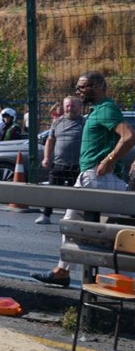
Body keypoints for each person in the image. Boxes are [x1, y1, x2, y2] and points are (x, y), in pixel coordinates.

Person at [33, 70, 134, 286]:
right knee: (72, 224)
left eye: (82, 86)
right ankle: (62, 271)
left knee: (114, 234)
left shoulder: (106, 109)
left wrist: (108, 159)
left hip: (99, 178)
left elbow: (128, 136)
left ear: (97, 85)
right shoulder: (98, 110)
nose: (78, 90)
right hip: (93, 177)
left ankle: (125, 282)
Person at [35, 95, 84, 225]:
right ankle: (46, 215)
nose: (70, 108)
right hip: (59, 163)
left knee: (77, 194)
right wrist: (46, 157)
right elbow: (50, 141)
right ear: (63, 107)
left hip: (77, 165)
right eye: (67, 105)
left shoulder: (84, 123)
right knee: (52, 191)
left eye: (73, 105)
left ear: (79, 107)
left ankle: (75, 218)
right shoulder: (57, 122)